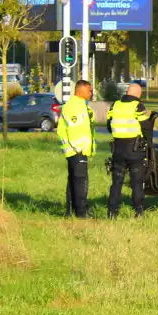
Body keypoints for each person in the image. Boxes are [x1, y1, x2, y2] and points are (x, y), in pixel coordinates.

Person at [107, 82, 151, 218]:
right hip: (134, 151)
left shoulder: (115, 105)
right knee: (136, 182)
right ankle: (139, 211)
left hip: (118, 150)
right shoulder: (138, 106)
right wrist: (150, 144)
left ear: (127, 92)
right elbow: (146, 127)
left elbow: (109, 126)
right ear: (139, 95)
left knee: (117, 182)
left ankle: (112, 212)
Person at [57, 80, 95, 218]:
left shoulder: (80, 106)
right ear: (81, 90)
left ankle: (71, 211)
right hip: (77, 150)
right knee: (80, 182)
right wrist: (79, 148)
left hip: (76, 151)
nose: (91, 93)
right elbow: (74, 129)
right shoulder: (74, 106)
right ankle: (81, 212)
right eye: (89, 90)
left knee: (74, 180)